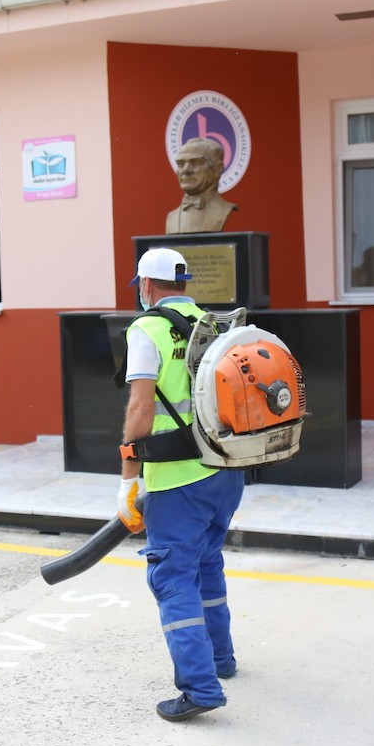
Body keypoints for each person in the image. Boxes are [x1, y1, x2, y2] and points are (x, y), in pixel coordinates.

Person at [118, 246, 246, 721]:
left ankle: (199, 688)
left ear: (146, 287)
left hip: (176, 481)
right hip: (224, 471)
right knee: (208, 565)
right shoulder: (215, 325)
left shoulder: (147, 329)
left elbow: (140, 408)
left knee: (173, 579)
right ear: (183, 284)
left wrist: (129, 479)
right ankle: (221, 659)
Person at [164, 138, 238, 234]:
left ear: (218, 168)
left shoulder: (223, 211)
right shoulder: (172, 217)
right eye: (181, 164)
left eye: (196, 163)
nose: (186, 171)